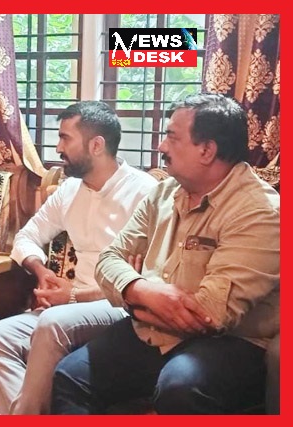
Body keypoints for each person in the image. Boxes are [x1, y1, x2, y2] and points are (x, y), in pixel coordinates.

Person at [51, 93, 280, 414]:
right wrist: (141, 289)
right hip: (152, 332)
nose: (161, 146)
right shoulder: (163, 193)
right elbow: (109, 260)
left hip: (232, 342)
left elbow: (210, 315)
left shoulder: (260, 212)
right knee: (69, 376)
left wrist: (129, 299)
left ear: (206, 150)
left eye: (172, 137)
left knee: (180, 387)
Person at [0, 101, 159, 414]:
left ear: (96, 145)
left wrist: (73, 295)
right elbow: (26, 237)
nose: (57, 147)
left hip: (117, 306)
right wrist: (41, 271)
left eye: (65, 138)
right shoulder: (69, 190)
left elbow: (147, 279)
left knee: (52, 322)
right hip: (71, 306)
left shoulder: (145, 192)